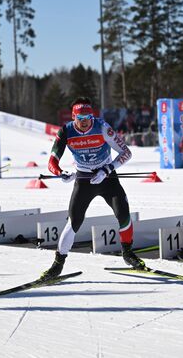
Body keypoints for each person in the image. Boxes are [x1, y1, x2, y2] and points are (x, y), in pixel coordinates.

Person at [41, 97, 143, 280]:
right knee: (74, 221)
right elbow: (52, 162)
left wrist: (107, 169)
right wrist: (60, 173)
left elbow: (126, 152)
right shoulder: (66, 131)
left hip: (107, 178)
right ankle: (57, 265)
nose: (85, 121)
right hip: (83, 180)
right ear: (73, 118)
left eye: (89, 117)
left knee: (124, 214)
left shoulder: (102, 127)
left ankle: (128, 253)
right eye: (80, 118)